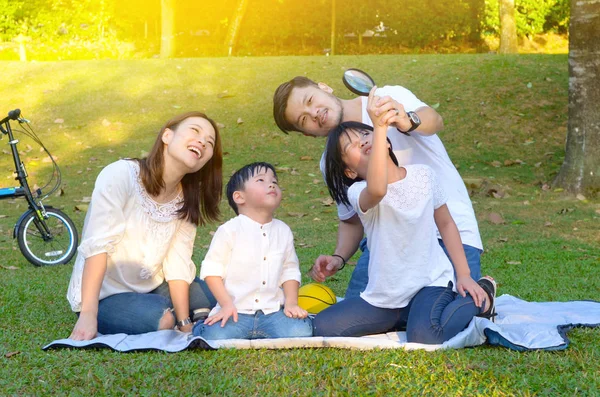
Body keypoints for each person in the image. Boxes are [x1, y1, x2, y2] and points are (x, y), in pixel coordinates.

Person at [273, 76, 484, 298]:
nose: (314, 113)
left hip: (445, 232)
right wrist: (338, 257)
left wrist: (408, 120)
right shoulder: (331, 163)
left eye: (310, 100)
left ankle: (483, 291)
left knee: (440, 315)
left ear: (324, 87)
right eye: (304, 119)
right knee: (355, 318)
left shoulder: (386, 99)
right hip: (386, 248)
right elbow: (351, 220)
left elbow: (435, 120)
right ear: (308, 133)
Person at [313, 92, 496, 342]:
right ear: (349, 170)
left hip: (430, 284)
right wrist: (377, 130)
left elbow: (446, 224)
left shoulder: (423, 175)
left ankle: (483, 295)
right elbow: (378, 188)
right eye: (351, 146)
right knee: (324, 326)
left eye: (366, 134)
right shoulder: (359, 192)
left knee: (425, 336)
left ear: (386, 142)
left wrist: (463, 274)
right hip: (386, 295)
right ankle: (406, 316)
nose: (363, 142)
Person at [67, 111, 222, 340]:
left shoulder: (188, 198)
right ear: (167, 136)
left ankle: (190, 311)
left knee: (220, 292)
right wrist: (88, 314)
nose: (202, 141)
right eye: (195, 131)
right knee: (162, 319)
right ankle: (182, 311)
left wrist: (184, 323)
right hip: (106, 293)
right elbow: (97, 246)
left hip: (154, 285)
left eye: (209, 143)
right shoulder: (120, 175)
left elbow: (177, 264)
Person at [192, 162, 313, 340]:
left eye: (274, 181)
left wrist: (291, 304)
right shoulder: (229, 230)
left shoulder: (283, 231)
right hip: (235, 312)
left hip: (272, 313)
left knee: (300, 331)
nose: (271, 184)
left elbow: (290, 271)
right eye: (261, 180)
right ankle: (201, 322)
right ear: (240, 197)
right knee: (214, 335)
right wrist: (226, 305)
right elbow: (211, 271)